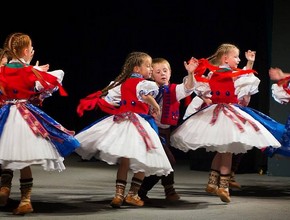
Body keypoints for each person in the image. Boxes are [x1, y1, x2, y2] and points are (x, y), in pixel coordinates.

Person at [170, 43, 281, 203]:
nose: (238, 59)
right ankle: (223, 186)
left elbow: (246, 78)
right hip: (223, 113)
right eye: (235, 56)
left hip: (223, 112)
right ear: (225, 58)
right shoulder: (222, 75)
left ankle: (212, 182)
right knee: (227, 150)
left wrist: (249, 63)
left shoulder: (223, 74)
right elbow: (200, 88)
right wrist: (193, 75)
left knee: (223, 149)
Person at [75, 51, 173, 208]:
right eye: (147, 66)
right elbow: (145, 95)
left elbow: (109, 98)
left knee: (125, 162)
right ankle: (132, 194)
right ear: (136, 69)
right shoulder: (144, 84)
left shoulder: (122, 83)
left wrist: (113, 104)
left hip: (123, 121)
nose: (150, 69)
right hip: (138, 123)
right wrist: (154, 105)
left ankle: (118, 195)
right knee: (145, 158)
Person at [0, 32, 80, 215]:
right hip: (24, 116)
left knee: (5, 150)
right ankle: (25, 200)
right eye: (31, 50)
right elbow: (46, 85)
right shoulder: (30, 71)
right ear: (27, 51)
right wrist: (35, 71)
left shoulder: (2, 70)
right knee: (24, 158)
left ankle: (4, 189)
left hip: (5, 114)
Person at [137, 57, 198, 202]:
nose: (162, 74)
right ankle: (166, 190)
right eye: (158, 72)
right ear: (152, 74)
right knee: (167, 161)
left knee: (162, 162)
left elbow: (188, 88)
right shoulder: (146, 88)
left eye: (165, 70)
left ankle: (142, 191)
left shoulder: (174, 90)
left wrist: (190, 74)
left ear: (170, 72)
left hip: (165, 132)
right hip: (149, 131)